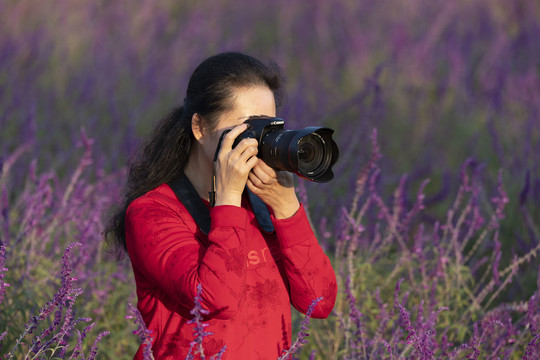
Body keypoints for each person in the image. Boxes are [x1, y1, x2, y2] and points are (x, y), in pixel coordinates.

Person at [105, 52, 337, 359]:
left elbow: (319, 303)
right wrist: (227, 201)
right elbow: (216, 299)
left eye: (269, 128)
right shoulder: (153, 213)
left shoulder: (264, 206)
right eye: (247, 128)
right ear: (200, 127)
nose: (259, 141)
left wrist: (288, 210)